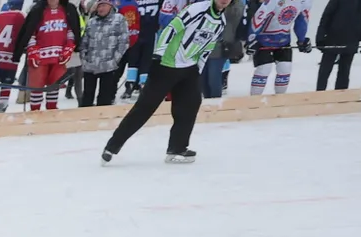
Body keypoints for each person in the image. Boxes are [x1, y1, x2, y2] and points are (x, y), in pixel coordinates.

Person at [102, 0, 231, 162]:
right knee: (145, 107)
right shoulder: (197, 9)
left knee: (190, 105)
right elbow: (172, 28)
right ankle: (112, 147)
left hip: (189, 68)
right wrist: (159, 53)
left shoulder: (221, 21)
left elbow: (207, 48)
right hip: (167, 64)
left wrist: (198, 69)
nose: (224, 0)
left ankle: (177, 148)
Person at [16, 0, 81, 108]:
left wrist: (70, 47)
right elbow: (30, 31)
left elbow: (72, 29)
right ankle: (35, 115)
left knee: (54, 87)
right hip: (40, 56)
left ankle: (51, 112)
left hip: (59, 56)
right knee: (37, 88)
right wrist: (32, 49)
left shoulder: (68, 9)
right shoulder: (38, 10)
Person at [247, 0, 312, 90]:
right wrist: (251, 38)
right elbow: (258, 18)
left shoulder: (305, 1)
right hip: (263, 39)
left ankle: (280, 100)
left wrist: (302, 39)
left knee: (285, 68)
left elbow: (301, 19)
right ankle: (255, 101)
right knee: (264, 69)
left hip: (284, 40)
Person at [81, 0, 137, 101]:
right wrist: (84, 60)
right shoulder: (92, 21)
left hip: (109, 66)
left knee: (104, 99)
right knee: (87, 98)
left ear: (110, 6)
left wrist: (114, 60)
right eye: (99, 6)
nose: (101, 9)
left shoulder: (119, 19)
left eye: (103, 6)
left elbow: (124, 42)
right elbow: (84, 42)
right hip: (90, 66)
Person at [313, 0, 361, 86]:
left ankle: (320, 93)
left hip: (334, 35)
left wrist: (320, 35)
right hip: (352, 36)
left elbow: (327, 15)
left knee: (326, 69)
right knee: (344, 70)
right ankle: (340, 95)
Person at [0, 0, 26, 108]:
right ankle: (3, 105)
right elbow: (21, 35)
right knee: (6, 84)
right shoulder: (19, 16)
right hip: (9, 55)